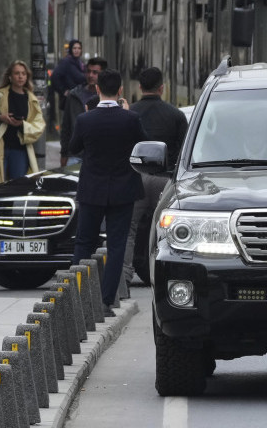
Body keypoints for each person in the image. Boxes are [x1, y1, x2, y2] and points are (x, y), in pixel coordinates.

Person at [69, 69, 146, 318]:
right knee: (116, 246)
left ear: (97, 89)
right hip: (123, 190)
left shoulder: (85, 120)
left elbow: (73, 147)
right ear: (121, 91)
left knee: (84, 243)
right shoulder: (130, 119)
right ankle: (105, 301)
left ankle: (77, 299)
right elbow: (143, 145)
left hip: (92, 188)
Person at [125, 66, 188, 296]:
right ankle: (167, 280)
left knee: (128, 232)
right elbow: (184, 152)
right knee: (167, 233)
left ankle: (123, 284)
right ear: (162, 88)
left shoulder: (131, 113)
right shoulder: (176, 115)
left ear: (139, 87)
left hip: (135, 179)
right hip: (165, 181)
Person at [0, 60, 45, 188]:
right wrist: (1, 118)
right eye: (17, 73)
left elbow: (38, 125)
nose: (20, 76)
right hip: (0, 147)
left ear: (27, 77)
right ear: (10, 77)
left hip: (20, 150)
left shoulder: (31, 99)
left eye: (23, 74)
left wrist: (22, 125)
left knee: (18, 187)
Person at [61, 56, 107, 167]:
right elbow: (66, 127)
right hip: (75, 155)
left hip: (99, 156)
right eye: (88, 71)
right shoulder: (73, 95)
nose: (90, 75)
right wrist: (64, 154)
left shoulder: (107, 97)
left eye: (95, 72)